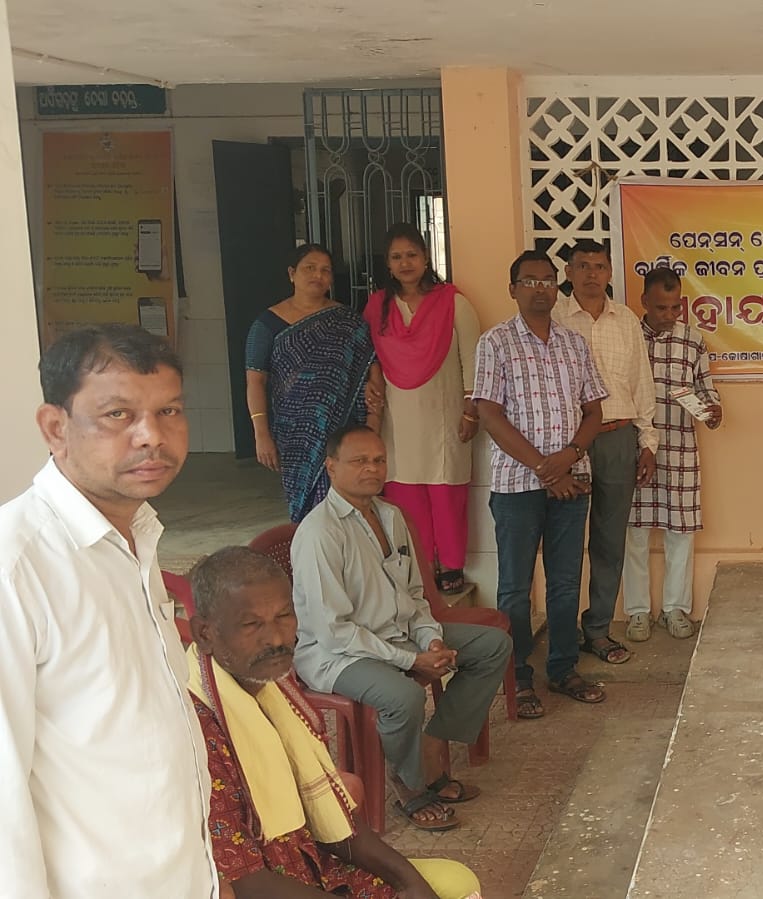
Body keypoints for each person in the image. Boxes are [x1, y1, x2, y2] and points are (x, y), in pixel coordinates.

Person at [0, 324, 216, 897]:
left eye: (169, 410)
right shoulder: (15, 568)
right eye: (118, 414)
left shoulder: (135, 539)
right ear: (56, 428)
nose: (152, 436)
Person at [187, 545, 483, 898]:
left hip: (316, 869)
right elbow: (244, 882)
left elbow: (335, 816)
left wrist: (410, 883)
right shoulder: (195, 728)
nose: (277, 638)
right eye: (252, 624)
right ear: (205, 634)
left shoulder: (275, 689)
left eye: (284, 616)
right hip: (267, 890)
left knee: (456, 883)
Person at [290, 425, 511, 832]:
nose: (372, 469)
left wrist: (432, 639)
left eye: (379, 460)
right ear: (331, 467)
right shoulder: (320, 533)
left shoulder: (390, 516)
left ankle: (430, 746)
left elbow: (412, 596)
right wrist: (411, 659)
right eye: (359, 461)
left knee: (492, 645)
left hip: (397, 635)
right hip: (337, 655)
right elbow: (334, 631)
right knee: (403, 696)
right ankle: (408, 785)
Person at [476, 251, 609, 715]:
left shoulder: (575, 344)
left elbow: (594, 411)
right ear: (512, 289)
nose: (540, 288)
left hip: (572, 482)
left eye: (548, 280)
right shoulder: (495, 343)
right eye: (529, 281)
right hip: (517, 486)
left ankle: (563, 668)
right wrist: (544, 468)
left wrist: (568, 458)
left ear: (558, 288)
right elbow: (489, 414)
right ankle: (517, 678)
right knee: (515, 588)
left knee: (565, 583)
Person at [553, 238, 659, 664]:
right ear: (569, 272)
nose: (592, 274)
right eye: (583, 266)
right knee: (564, 541)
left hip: (618, 437)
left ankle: (597, 630)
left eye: (599, 266)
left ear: (610, 273)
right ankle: (563, 637)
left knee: (609, 541)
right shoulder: (555, 318)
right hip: (570, 442)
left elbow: (641, 381)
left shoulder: (626, 319)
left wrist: (647, 442)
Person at [364, 224, 483, 596]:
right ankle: (419, 565)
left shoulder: (454, 302)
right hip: (397, 417)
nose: (405, 263)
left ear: (426, 258)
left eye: (412, 255)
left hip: (445, 414)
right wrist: (370, 383)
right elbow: (368, 357)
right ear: (388, 264)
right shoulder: (377, 307)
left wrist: (471, 410)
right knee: (406, 492)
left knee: (446, 493)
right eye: (397, 257)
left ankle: (450, 565)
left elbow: (472, 360)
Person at [247, 243, 384, 523]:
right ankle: (312, 550)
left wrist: (373, 422)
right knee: (306, 510)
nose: (318, 276)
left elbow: (372, 372)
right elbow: (255, 382)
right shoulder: (267, 324)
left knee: (350, 505)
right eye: (309, 268)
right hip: (295, 435)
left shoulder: (348, 321)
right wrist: (261, 434)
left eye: (325, 270)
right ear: (292, 273)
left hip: (344, 433)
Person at [622, 268, 723, 642]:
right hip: (634, 449)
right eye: (661, 307)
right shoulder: (629, 337)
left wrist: (713, 410)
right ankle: (637, 611)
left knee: (680, 532)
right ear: (644, 302)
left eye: (675, 307)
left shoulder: (692, 341)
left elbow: (706, 389)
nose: (669, 315)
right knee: (634, 533)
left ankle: (675, 608)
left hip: (680, 449)